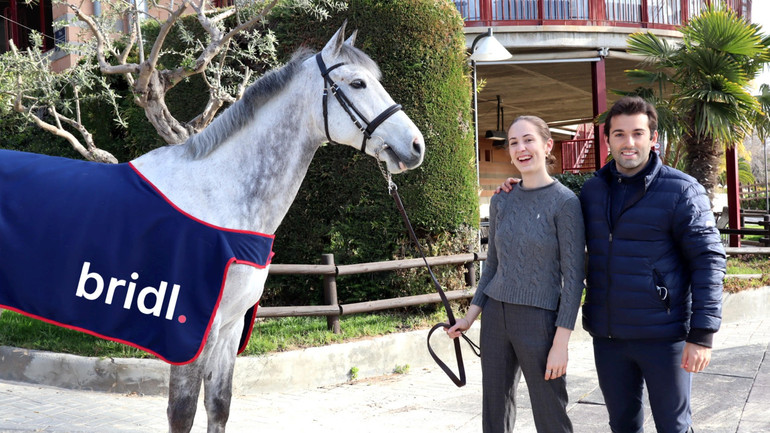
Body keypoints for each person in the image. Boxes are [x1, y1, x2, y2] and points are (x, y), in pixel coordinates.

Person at [497, 96, 726, 433]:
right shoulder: (591, 191)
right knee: (622, 424)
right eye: (619, 134)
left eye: (637, 133)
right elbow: (549, 194)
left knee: (673, 426)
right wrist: (516, 186)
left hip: (664, 335)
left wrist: (702, 334)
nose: (628, 142)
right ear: (608, 141)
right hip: (609, 337)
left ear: (653, 138)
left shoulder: (682, 190)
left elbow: (709, 260)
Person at [446, 115, 585, 433]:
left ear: (547, 145)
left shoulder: (565, 204)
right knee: (495, 412)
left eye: (528, 140)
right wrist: (469, 318)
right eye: (513, 142)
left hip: (540, 320)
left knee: (550, 413)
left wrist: (561, 342)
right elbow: (492, 265)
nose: (521, 148)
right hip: (494, 318)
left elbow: (574, 278)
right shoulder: (501, 200)